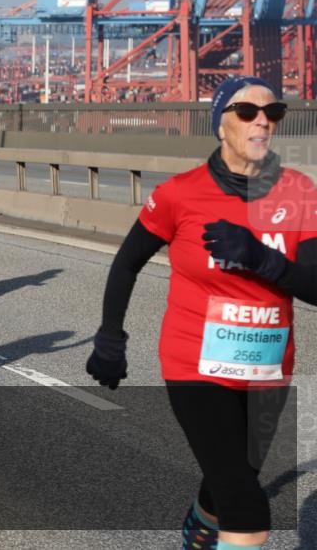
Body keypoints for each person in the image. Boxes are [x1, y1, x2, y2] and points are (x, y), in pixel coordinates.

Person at [85, 76, 317, 550]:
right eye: (247, 112)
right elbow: (127, 262)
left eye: (272, 113)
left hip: (267, 369)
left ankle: (200, 525)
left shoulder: (299, 192)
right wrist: (111, 338)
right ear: (220, 124)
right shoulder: (180, 194)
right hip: (196, 364)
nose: (262, 122)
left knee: (229, 479)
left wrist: (262, 258)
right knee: (246, 505)